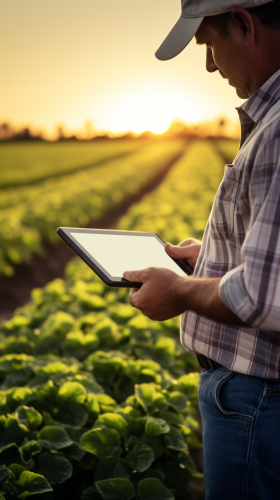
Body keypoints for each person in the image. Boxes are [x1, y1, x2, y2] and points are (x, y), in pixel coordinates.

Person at [122, 1, 280, 499]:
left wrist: (183, 292)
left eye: (210, 44)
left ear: (244, 24)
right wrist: (211, 256)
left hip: (257, 398)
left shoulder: (278, 131)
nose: (210, 64)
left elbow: (259, 295)